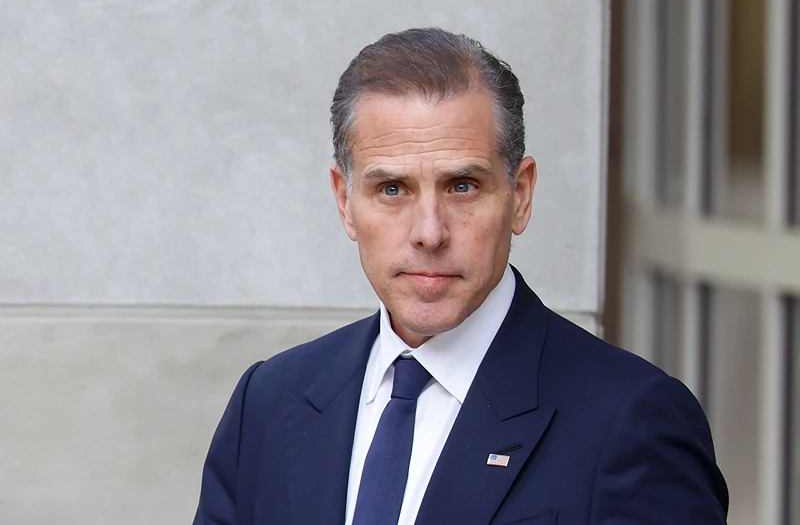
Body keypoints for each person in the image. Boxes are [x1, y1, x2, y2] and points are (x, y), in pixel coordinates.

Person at [192, 27, 728, 525]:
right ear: (344, 202)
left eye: (462, 186)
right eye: (393, 189)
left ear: (520, 195)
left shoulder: (631, 420)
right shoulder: (268, 401)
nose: (429, 232)